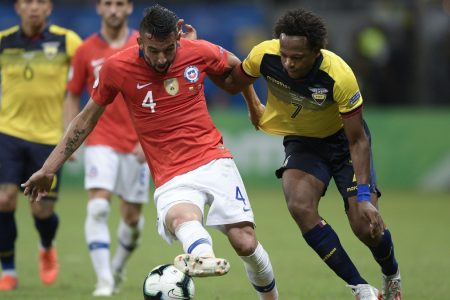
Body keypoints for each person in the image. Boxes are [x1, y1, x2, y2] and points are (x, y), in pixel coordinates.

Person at [22, 4, 278, 300]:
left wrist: (254, 104)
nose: (161, 58)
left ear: (177, 39)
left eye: (168, 49)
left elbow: (238, 69)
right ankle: (203, 257)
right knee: (181, 218)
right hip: (170, 174)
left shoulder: (198, 50)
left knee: (245, 243)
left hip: (213, 160)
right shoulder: (117, 68)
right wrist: (49, 168)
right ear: (139, 41)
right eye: (153, 50)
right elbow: (85, 119)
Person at [221, 8, 402, 300]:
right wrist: (252, 102)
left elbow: (358, 141)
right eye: (284, 55)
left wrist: (366, 197)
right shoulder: (265, 55)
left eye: (297, 57)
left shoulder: (339, 76)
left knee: (365, 226)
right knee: (300, 206)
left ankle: (391, 273)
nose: (288, 63)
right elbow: (232, 82)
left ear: (317, 51)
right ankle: (361, 288)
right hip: (303, 142)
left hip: (344, 145)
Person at [64, 0, 151, 296]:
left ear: (129, 8)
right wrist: (70, 138)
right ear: (99, 8)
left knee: (132, 220)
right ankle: (103, 280)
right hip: (101, 140)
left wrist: (147, 138)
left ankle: (116, 268)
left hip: (137, 143)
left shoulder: (145, 45)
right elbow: (73, 94)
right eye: (108, 4)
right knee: (99, 206)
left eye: (119, 4)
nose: (113, 9)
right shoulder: (85, 50)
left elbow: (156, 92)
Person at [0, 0, 82, 291]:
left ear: (48, 8)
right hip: (8, 133)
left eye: (40, 2)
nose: (33, 7)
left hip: (48, 139)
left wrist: (73, 128)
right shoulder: (4, 41)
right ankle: (8, 269)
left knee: (41, 211)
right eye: (27, 2)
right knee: (4, 199)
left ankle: (47, 246)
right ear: (18, 7)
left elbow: (90, 66)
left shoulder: (66, 40)